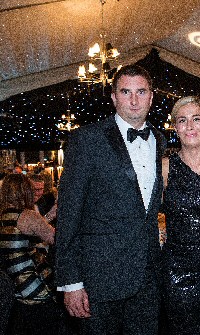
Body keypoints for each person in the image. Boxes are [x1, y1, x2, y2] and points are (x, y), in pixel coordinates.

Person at [55, 64, 166, 335]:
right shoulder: (87, 139)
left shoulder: (159, 140)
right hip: (99, 281)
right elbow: (69, 213)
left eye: (141, 92)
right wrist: (71, 282)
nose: (134, 100)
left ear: (151, 97)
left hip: (147, 280)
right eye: (126, 92)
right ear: (114, 97)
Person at [161, 96, 200, 334]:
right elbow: (142, 213)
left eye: (196, 119)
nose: (189, 126)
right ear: (175, 127)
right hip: (178, 272)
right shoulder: (165, 167)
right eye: (182, 120)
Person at [0, 173, 70, 335]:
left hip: (15, 288)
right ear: (24, 191)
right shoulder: (27, 216)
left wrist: (50, 215)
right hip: (36, 288)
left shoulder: (4, 216)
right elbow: (56, 238)